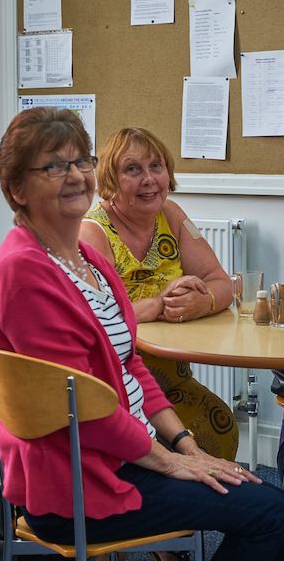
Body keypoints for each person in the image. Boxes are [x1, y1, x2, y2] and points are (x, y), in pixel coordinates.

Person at [0, 107, 284, 559]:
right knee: (271, 512)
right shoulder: (24, 272)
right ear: (16, 189)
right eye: (53, 166)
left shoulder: (90, 263)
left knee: (265, 501)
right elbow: (80, 406)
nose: (73, 176)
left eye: (80, 162)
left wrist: (187, 446)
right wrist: (171, 461)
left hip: (122, 455)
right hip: (78, 482)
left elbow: (129, 364)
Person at [79, 127, 239, 461]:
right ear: (110, 178)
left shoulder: (173, 216)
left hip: (174, 382)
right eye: (133, 169)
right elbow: (92, 322)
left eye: (156, 166)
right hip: (116, 387)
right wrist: (156, 306)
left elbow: (222, 283)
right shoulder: (92, 232)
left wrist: (201, 301)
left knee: (222, 425)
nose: (149, 179)